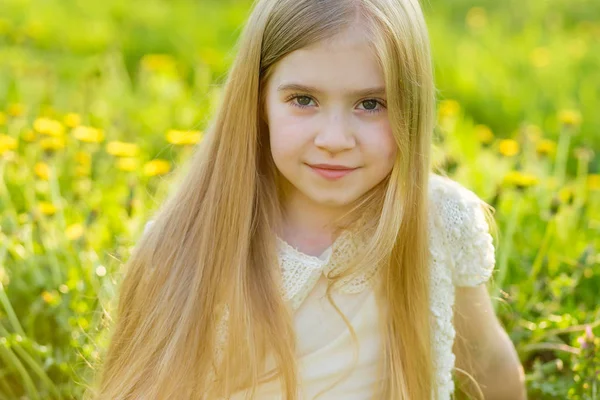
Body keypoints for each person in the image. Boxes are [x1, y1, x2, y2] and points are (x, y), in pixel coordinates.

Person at [90, 0, 527, 399]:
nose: (334, 139)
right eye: (303, 100)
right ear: (258, 101)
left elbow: (488, 363)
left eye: (371, 104)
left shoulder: (436, 221)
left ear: (410, 106)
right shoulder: (187, 244)